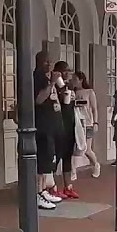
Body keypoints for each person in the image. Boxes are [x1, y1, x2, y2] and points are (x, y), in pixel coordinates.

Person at [33, 51, 64, 209]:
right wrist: (51, 83)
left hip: (52, 127)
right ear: (38, 61)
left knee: (47, 162)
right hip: (42, 127)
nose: (49, 65)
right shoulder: (37, 78)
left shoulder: (47, 78)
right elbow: (38, 99)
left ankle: (44, 190)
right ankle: (37, 193)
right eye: (46, 62)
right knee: (42, 161)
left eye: (50, 62)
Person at [52, 61, 79, 199]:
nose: (67, 73)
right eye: (64, 71)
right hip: (58, 125)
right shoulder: (55, 86)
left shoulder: (69, 86)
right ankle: (51, 187)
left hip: (69, 124)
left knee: (67, 157)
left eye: (69, 70)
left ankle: (68, 187)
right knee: (55, 158)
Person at [72, 71, 101, 178]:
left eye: (75, 79)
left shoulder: (89, 92)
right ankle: (73, 171)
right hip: (76, 123)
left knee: (87, 149)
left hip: (87, 123)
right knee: (75, 148)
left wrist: (95, 122)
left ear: (81, 80)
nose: (73, 81)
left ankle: (96, 165)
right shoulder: (72, 92)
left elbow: (94, 109)